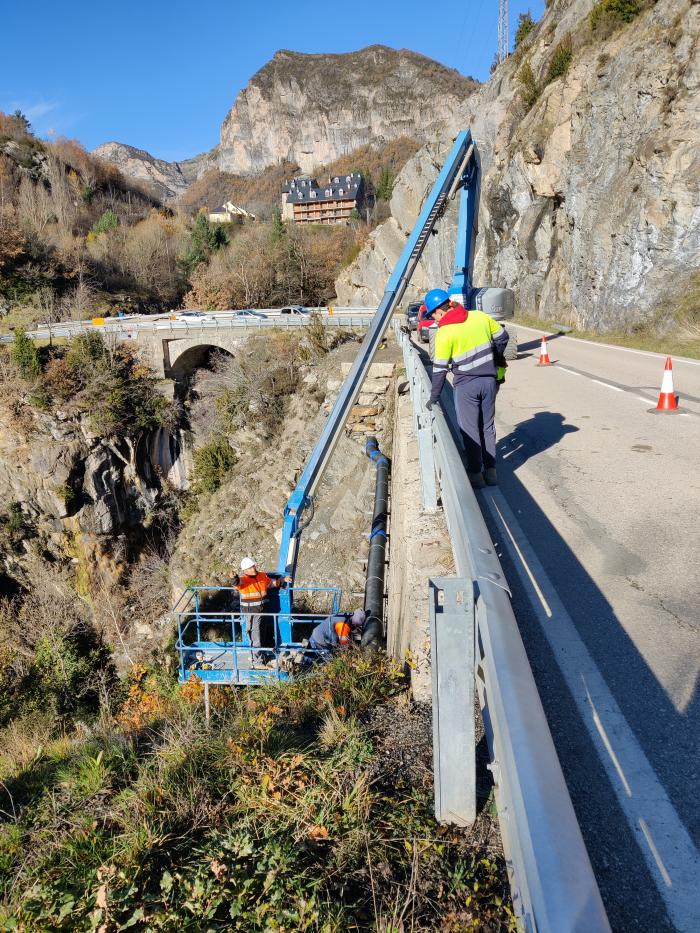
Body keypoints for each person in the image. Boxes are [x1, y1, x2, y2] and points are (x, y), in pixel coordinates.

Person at [423, 288, 509, 488]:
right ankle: (491, 472)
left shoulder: (445, 333)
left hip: (466, 385)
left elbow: (440, 370)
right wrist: (492, 358)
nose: (434, 319)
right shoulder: (479, 317)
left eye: (433, 315)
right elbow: (503, 338)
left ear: (440, 311)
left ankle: (475, 474)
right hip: (489, 381)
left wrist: (434, 397)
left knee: (470, 430)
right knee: (487, 426)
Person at [230, 557, 291, 666]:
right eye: (249, 568)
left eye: (253, 566)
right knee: (256, 637)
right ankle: (257, 662)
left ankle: (260, 656)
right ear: (245, 570)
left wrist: (282, 580)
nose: (253, 569)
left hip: (262, 611)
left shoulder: (262, 575)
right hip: (251, 613)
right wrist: (234, 577)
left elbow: (271, 583)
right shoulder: (244, 579)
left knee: (261, 634)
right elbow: (236, 583)